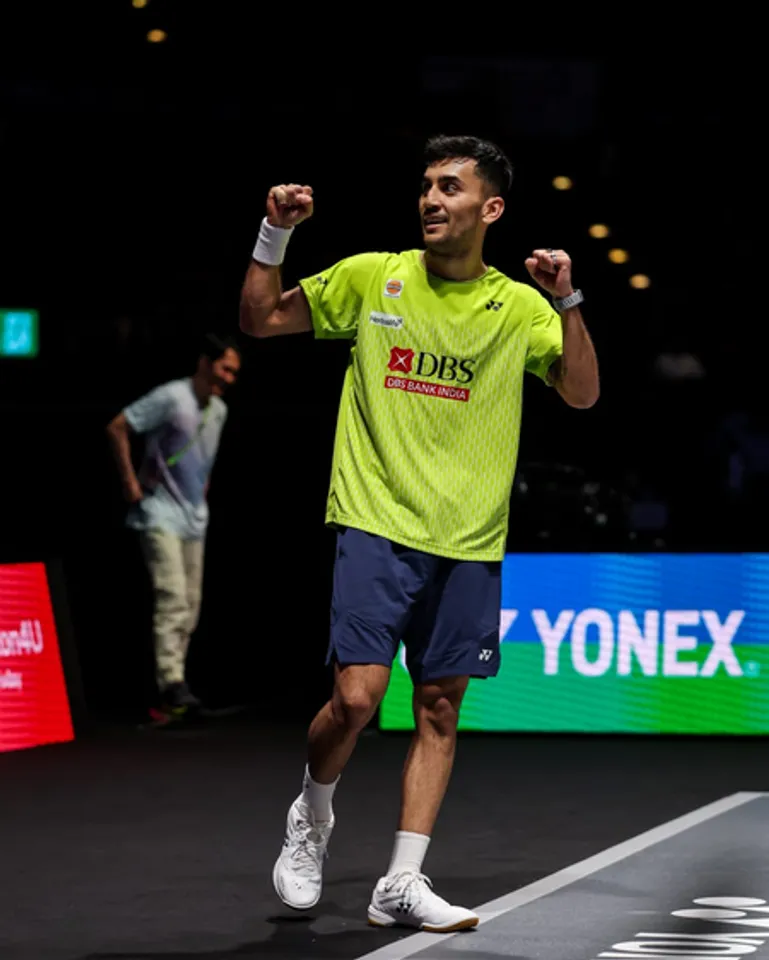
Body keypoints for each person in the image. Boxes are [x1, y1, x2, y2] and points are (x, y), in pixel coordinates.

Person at [239, 135, 599, 932]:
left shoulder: (517, 307)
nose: (431, 199)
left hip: (468, 538)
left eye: (450, 187)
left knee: (438, 708)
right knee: (356, 698)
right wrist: (275, 233)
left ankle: (401, 880)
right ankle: (313, 813)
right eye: (427, 185)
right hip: (375, 518)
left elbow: (579, 393)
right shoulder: (376, 276)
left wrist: (567, 300)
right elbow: (260, 319)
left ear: (490, 208)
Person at [106, 333, 240, 716]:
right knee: (173, 598)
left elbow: (203, 462)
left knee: (191, 605)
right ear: (204, 363)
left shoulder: (219, 411)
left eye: (234, 372)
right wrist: (130, 482)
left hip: (194, 518)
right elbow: (118, 426)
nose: (229, 378)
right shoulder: (172, 397)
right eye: (224, 368)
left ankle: (175, 688)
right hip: (159, 513)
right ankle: (170, 683)